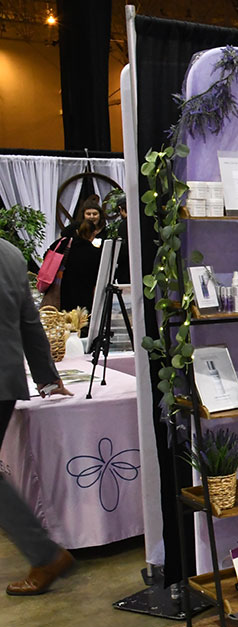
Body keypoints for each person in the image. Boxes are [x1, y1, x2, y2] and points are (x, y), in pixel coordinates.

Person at [0, 237, 75, 595]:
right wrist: (46, 376)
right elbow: (30, 321)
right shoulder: (11, 253)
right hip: (8, 379)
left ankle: (45, 555)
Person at [57, 219, 102, 313]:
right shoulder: (95, 252)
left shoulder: (65, 244)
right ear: (93, 233)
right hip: (85, 294)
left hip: (63, 290)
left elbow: (48, 256)